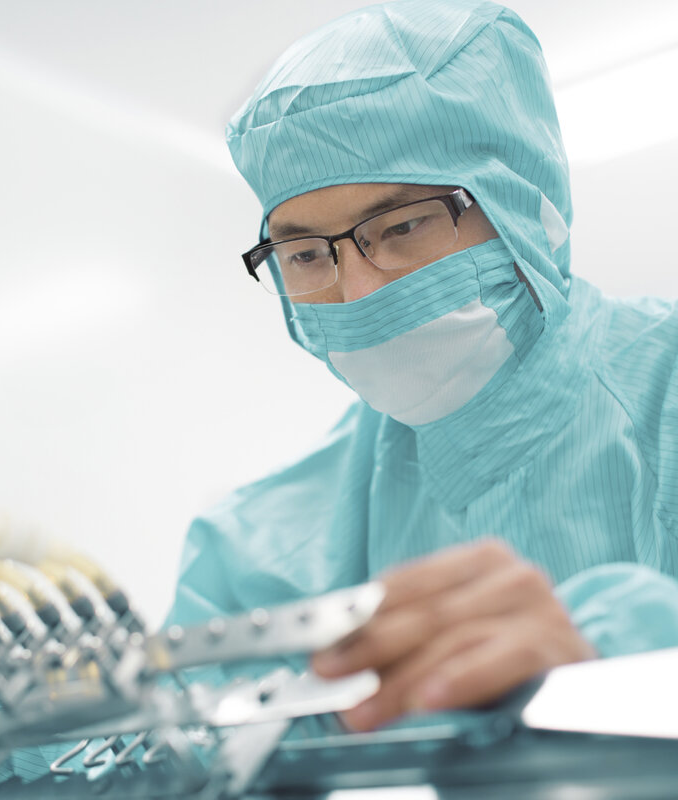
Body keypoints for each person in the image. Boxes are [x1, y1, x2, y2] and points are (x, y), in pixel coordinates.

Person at [165, 0, 678, 734]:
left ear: (521, 204)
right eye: (308, 254)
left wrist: (629, 663)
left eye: (402, 226)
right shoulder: (257, 548)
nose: (360, 291)